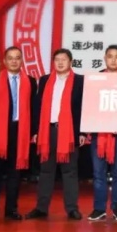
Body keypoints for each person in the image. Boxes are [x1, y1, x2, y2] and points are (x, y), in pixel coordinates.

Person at [26, 49, 85, 221]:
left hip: (69, 132)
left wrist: (81, 132)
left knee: (70, 171)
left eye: (63, 59)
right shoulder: (45, 80)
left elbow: (82, 108)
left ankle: (72, 209)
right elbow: (37, 107)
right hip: (48, 131)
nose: (60, 62)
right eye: (57, 59)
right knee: (46, 170)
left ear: (70, 62)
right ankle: (41, 208)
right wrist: (36, 131)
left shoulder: (80, 81)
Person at [0, 46, 37, 223]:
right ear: (5, 61)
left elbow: (34, 109)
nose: (14, 61)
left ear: (22, 61)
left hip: (20, 132)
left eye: (17, 58)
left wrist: (33, 132)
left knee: (15, 174)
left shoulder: (30, 81)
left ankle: (11, 209)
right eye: (11, 58)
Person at [88, 45, 117, 222]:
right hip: (99, 134)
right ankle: (99, 208)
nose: (113, 60)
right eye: (110, 56)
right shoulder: (97, 79)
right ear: (105, 58)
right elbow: (90, 105)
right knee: (98, 174)